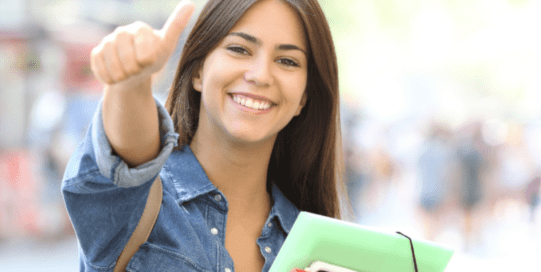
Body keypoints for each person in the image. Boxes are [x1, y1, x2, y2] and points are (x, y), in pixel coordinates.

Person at [61, 0, 343, 271]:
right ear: (198, 70)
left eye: (287, 61)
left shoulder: (318, 250)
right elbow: (130, 160)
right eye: (239, 49)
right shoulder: (143, 204)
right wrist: (132, 83)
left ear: (304, 97)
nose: (261, 75)